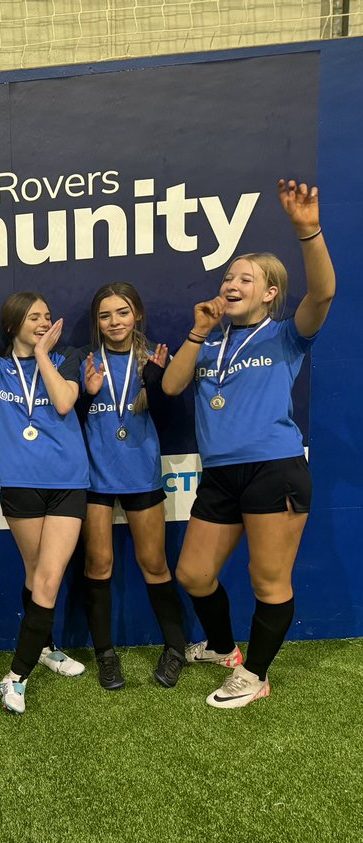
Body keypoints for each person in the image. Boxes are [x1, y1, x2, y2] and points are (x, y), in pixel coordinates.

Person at [161, 179, 335, 709]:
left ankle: (255, 674)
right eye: (228, 275)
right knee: (192, 573)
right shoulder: (211, 344)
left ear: (269, 293)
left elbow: (322, 293)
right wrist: (196, 332)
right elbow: (170, 386)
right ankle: (222, 647)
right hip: (220, 475)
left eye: (246, 278)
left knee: (268, 580)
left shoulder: (287, 335)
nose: (232, 283)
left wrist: (308, 232)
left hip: (273, 470)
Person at [0, 234, 90, 715]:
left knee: (48, 578)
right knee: (37, 575)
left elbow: (67, 402)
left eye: (48, 317)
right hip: (21, 487)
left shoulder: (66, 357)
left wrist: (46, 354)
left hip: (68, 483)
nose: (45, 322)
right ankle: (46, 648)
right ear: (14, 325)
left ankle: (16, 676)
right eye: (35, 317)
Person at [78, 284, 188, 690]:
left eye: (122, 313)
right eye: (105, 316)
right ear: (97, 322)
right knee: (98, 564)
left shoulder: (154, 358)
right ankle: (105, 655)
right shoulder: (87, 361)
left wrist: (155, 384)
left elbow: (172, 416)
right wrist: (87, 397)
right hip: (96, 477)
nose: (114, 322)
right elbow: (72, 415)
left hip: (141, 473)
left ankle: (175, 647)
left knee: (154, 563)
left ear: (136, 313)